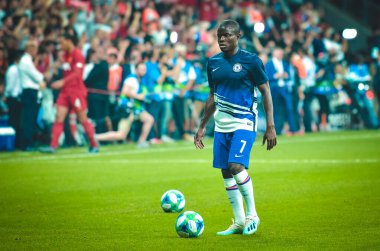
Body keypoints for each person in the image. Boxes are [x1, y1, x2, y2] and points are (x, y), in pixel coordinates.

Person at [194, 20, 277, 236]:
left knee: (235, 165)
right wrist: (203, 126)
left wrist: (270, 126)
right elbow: (212, 95)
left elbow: (266, 91)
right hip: (221, 125)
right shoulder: (213, 62)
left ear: (238, 36)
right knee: (225, 171)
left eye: (227, 35)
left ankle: (252, 215)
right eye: (219, 35)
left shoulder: (251, 61)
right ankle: (239, 221)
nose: (222, 39)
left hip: (244, 122)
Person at [40, 33, 99, 153]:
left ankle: (94, 144)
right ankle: (53, 146)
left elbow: (78, 73)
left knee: (82, 119)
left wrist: (62, 81)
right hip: (65, 92)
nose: (60, 46)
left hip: (76, 91)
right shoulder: (65, 56)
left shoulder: (78, 54)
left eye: (62, 43)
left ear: (69, 41)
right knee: (59, 117)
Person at [18, 41, 46, 151]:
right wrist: (42, 77)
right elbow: (36, 76)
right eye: (35, 49)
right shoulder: (26, 61)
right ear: (30, 49)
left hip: (30, 92)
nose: (36, 51)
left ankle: (28, 142)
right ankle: (27, 143)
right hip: (29, 92)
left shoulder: (26, 60)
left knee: (29, 118)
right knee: (29, 119)